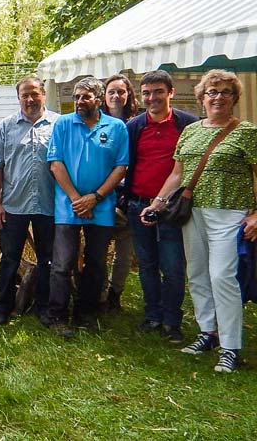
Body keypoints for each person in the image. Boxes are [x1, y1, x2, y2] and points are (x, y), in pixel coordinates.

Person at [142, 69, 257, 373]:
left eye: (225, 92)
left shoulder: (246, 132)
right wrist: (157, 203)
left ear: (234, 98)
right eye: (212, 92)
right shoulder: (190, 131)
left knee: (222, 276)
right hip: (192, 213)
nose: (218, 97)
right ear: (201, 97)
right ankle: (208, 332)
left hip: (230, 214)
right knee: (197, 274)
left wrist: (256, 214)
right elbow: (178, 174)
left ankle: (230, 346)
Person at [47, 77, 128, 338]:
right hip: (67, 207)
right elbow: (55, 164)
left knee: (95, 263)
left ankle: (85, 314)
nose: (80, 101)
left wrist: (95, 197)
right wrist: (76, 199)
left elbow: (121, 166)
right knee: (61, 263)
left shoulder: (116, 127)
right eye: (77, 96)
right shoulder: (63, 123)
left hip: (101, 207)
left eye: (86, 97)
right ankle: (58, 315)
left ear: (99, 98)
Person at [125, 70, 198, 343]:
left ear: (170, 93)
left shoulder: (188, 125)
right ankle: (152, 316)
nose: (152, 98)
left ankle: (172, 320)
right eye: (146, 93)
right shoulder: (134, 126)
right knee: (146, 264)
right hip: (138, 204)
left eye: (157, 92)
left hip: (173, 207)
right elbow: (126, 165)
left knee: (173, 265)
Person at [0, 76, 59, 326]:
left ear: (43, 93)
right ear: (18, 98)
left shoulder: (58, 124)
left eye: (34, 94)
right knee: (9, 258)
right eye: (24, 95)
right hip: (13, 205)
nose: (29, 100)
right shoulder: (6, 127)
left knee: (47, 259)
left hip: (48, 204)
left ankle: (44, 307)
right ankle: (3, 307)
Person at [100, 74, 139, 312]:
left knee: (125, 250)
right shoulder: (97, 122)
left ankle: (115, 293)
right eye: (111, 91)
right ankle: (100, 292)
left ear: (128, 95)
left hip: (129, 195)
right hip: (103, 194)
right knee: (99, 248)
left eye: (121, 92)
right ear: (104, 96)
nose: (116, 96)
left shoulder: (136, 124)